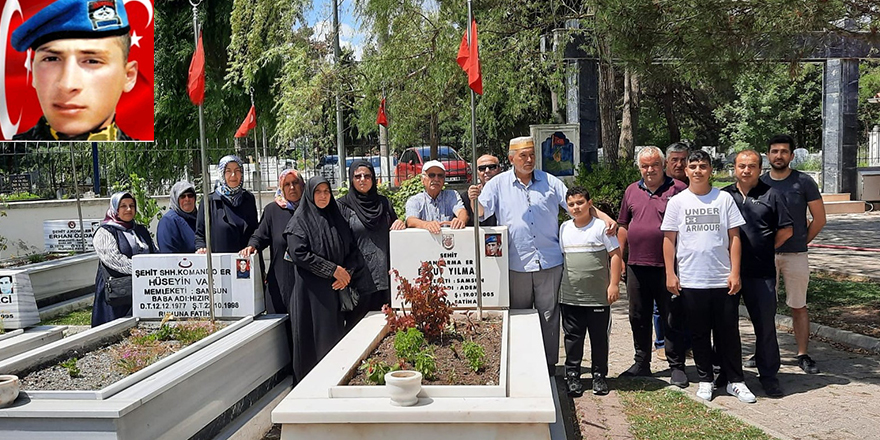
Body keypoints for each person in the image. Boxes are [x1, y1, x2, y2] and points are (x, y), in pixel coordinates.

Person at [469, 135, 616, 374]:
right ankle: (521, 362)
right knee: (519, 315)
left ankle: (548, 365)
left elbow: (575, 207)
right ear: (511, 159)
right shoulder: (497, 184)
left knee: (549, 316)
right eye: (523, 156)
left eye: (532, 155)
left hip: (549, 261)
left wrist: (605, 218)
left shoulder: (550, 181)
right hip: (516, 262)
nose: (528, 160)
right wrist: (474, 200)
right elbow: (483, 213)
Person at [661, 150, 755, 403]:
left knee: (728, 333)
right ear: (687, 170)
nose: (698, 170)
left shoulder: (723, 199)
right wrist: (671, 273)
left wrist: (735, 272)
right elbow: (669, 240)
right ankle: (705, 380)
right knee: (699, 333)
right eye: (693, 166)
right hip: (692, 279)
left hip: (722, 279)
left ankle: (736, 381)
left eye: (703, 166)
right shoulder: (677, 202)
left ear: (710, 169)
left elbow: (735, 237)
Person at [10, 0, 138, 140]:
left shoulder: (140, 155)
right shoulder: (10, 154)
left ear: (129, 76)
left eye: (92, 61)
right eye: (51, 59)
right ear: (33, 72)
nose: (67, 85)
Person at [617, 146, 690, 386]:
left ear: (663, 165)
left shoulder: (679, 190)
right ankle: (641, 362)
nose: (650, 170)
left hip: (668, 266)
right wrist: (620, 259)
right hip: (637, 264)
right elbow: (623, 225)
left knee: (672, 316)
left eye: (654, 165)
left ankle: (676, 365)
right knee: (638, 315)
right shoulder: (631, 190)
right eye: (645, 166)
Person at [722, 150, 793, 398]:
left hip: (761, 273)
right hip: (727, 273)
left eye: (751, 166)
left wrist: (765, 247)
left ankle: (769, 376)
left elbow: (786, 230)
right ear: (734, 168)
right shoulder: (724, 196)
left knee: (765, 327)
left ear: (760, 168)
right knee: (725, 326)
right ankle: (727, 372)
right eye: (741, 166)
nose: (746, 170)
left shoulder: (772, 195)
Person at [284, 176, 365, 381]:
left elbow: (353, 251)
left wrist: (346, 273)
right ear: (310, 194)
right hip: (310, 296)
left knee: (333, 342)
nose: (323, 196)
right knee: (312, 344)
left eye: (326, 191)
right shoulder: (300, 221)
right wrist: (332, 270)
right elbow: (298, 253)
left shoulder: (336, 218)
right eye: (318, 192)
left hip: (335, 292)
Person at [759, 134, 826, 374]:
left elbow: (819, 219)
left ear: (791, 155)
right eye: (774, 151)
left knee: (798, 305)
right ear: (768, 155)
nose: (779, 156)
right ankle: (764, 353)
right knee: (765, 306)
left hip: (796, 255)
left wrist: (802, 241)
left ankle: (803, 354)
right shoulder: (760, 183)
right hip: (765, 256)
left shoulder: (804, 182)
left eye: (784, 151)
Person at [559, 186, 622, 397]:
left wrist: (613, 285)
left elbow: (615, 256)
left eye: (580, 203)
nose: (576, 208)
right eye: (571, 204)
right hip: (571, 296)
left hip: (597, 297)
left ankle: (599, 376)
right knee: (573, 338)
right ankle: (573, 376)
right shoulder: (564, 228)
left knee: (598, 338)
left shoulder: (602, 228)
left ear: (589, 203)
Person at [338, 159, 406, 330]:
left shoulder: (383, 203)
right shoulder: (342, 206)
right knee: (358, 330)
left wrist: (400, 223)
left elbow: (394, 226)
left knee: (385, 329)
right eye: (358, 176)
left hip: (385, 277)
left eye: (367, 176)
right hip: (358, 279)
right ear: (351, 179)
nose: (363, 179)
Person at [241, 169, 303, 314]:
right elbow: (260, 235)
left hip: (306, 281)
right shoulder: (272, 211)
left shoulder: (310, 209)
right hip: (280, 279)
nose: (292, 187)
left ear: (302, 185)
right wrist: (252, 246)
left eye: (295, 183)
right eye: (287, 184)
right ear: (281, 187)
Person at [91, 191, 158, 327]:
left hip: (142, 287)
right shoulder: (105, 232)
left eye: (132, 205)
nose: (128, 209)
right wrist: (143, 270)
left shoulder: (140, 230)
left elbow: (154, 252)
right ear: (115, 208)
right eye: (123, 206)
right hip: (117, 291)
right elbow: (114, 260)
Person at [195, 155, 259, 253]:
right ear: (222, 174)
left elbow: (255, 230)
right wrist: (201, 248)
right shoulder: (209, 201)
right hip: (220, 264)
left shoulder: (248, 198)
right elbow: (200, 235)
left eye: (237, 171)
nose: (233, 175)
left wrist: (252, 245)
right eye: (228, 171)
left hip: (244, 263)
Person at [405, 160, 467, 232]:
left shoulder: (452, 195)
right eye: (431, 175)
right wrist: (426, 225)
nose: (436, 179)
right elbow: (411, 220)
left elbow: (462, 212)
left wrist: (460, 221)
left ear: (444, 180)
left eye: (440, 176)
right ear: (422, 180)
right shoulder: (415, 200)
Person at [157, 181, 198, 253]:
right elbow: (168, 253)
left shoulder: (198, 219)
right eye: (182, 196)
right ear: (176, 199)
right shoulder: (169, 221)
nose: (187, 199)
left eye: (190, 195)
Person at [460, 154, 500, 226]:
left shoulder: (508, 192)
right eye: (482, 168)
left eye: (492, 167)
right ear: (476, 172)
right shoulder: (466, 197)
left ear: (499, 169)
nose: (487, 171)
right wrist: (473, 199)